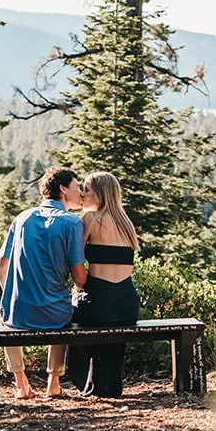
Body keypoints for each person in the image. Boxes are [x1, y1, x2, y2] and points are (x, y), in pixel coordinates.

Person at [0, 166, 88, 400]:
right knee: (66, 307)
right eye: (77, 188)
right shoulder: (72, 224)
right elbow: (79, 279)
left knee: (7, 313)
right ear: (62, 189)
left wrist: (14, 296)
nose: (81, 193)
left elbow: (1, 266)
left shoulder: (21, 219)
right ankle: (54, 381)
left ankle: (20, 383)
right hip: (55, 316)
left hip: (17, 316)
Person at [64, 171, 140, 398]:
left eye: (86, 189)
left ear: (100, 194)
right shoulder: (127, 223)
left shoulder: (90, 219)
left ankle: (87, 381)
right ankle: (109, 383)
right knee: (112, 332)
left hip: (99, 300)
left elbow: (75, 259)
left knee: (74, 315)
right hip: (128, 302)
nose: (82, 194)